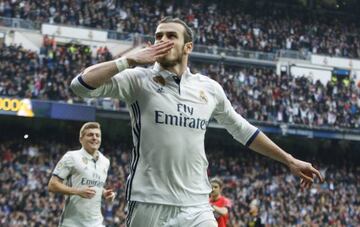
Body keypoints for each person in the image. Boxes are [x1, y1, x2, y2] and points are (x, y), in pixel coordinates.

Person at [70, 17, 324, 227]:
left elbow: (242, 129)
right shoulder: (138, 79)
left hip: (197, 204)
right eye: (158, 36)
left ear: (188, 47)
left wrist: (289, 159)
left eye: (170, 36)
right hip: (149, 201)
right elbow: (80, 86)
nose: (162, 41)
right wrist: (129, 60)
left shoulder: (209, 88)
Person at [48, 122, 115, 227]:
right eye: (90, 135)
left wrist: (104, 192)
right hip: (73, 223)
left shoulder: (105, 161)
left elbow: (94, 183)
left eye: (97, 135)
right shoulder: (71, 157)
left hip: (96, 222)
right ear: (81, 139)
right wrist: (77, 191)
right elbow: (52, 185)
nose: (94, 138)